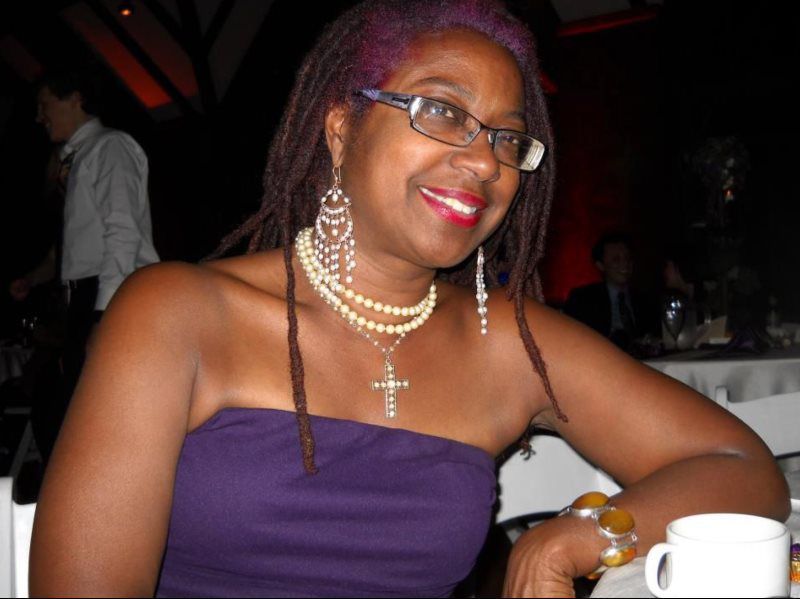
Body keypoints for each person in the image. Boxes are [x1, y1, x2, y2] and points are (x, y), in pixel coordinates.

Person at [30, 1, 788, 597]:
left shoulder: (511, 345)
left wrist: (575, 533)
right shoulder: (175, 313)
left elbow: (743, 468)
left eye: (506, 138)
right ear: (338, 130)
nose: (482, 160)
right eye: (443, 111)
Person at [12, 67, 160, 462]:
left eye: (44, 105)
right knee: (60, 407)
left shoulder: (109, 147)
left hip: (109, 293)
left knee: (84, 414)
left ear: (74, 97)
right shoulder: (73, 161)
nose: (38, 117)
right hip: (81, 297)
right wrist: (34, 277)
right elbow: (77, 243)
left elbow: (123, 233)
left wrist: (102, 313)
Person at [564, 233, 658, 349]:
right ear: (600, 265)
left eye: (628, 258)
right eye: (616, 260)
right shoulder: (584, 299)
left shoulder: (645, 299)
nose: (625, 264)